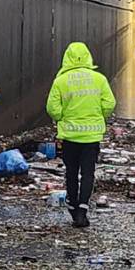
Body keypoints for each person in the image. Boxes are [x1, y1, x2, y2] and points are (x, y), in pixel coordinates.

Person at [46, 42, 116, 228]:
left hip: (69, 135)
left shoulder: (60, 81)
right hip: (91, 136)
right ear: (88, 56)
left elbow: (52, 108)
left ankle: (72, 204)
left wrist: (62, 117)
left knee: (71, 172)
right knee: (88, 173)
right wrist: (99, 115)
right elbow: (110, 103)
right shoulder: (99, 79)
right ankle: (82, 210)